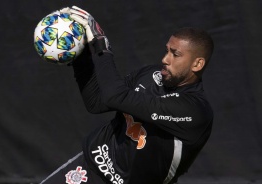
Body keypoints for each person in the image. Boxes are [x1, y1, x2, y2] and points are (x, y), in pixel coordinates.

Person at [40, 6, 214, 184]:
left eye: (175, 54)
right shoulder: (151, 74)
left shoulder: (194, 110)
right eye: (167, 50)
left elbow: (116, 96)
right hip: (90, 167)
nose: (165, 59)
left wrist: (101, 45)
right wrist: (81, 55)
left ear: (197, 64)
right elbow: (97, 102)